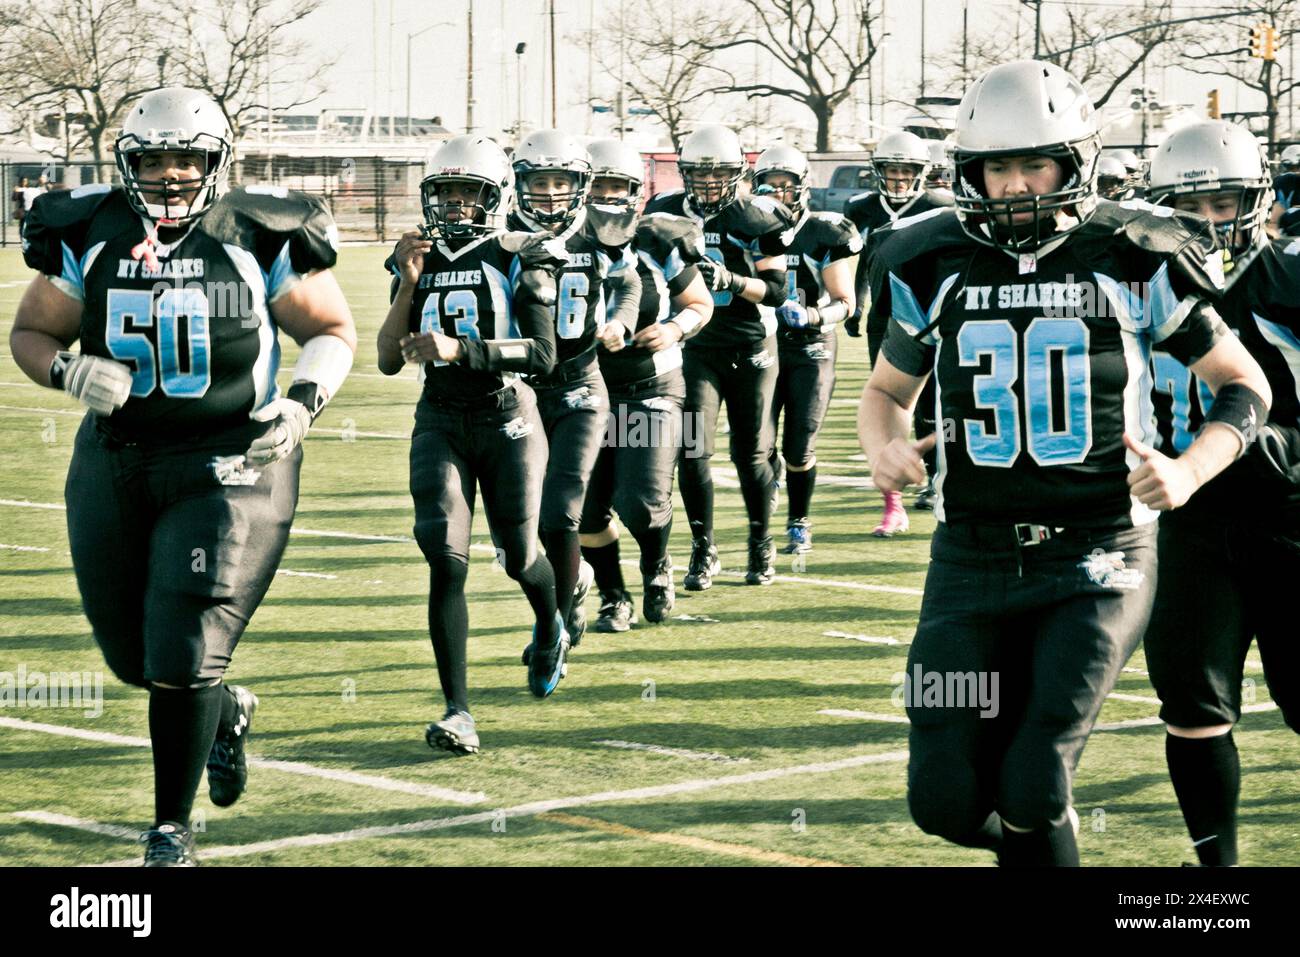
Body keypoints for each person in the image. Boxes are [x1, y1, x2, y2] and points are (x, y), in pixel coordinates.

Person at [858, 61, 1271, 867]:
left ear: (1073, 164)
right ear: (967, 172)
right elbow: (884, 391)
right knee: (942, 797)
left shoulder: (1132, 256)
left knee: (1034, 776)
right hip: (969, 561)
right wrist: (884, 446)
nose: (1015, 186)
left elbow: (1241, 385)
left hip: (1099, 555)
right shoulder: (930, 259)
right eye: (997, 167)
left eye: (1034, 164)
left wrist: (1187, 470)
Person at [9, 88, 357, 866]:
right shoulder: (90, 232)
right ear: (126, 163)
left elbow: (331, 327)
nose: (172, 175)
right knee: (132, 658)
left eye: (189, 159)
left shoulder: (254, 233)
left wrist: (303, 403)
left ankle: (172, 826)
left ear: (215, 162)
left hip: (232, 461)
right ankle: (223, 709)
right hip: (117, 457)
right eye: (155, 159)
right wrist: (66, 370)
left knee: (183, 649)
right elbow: (31, 331)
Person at [378, 134, 569, 750]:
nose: (457, 206)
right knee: (445, 554)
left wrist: (464, 349)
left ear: (495, 198)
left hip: (506, 415)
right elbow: (386, 358)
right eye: (447, 193)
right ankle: (458, 710)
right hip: (440, 418)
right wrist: (408, 284)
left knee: (518, 555)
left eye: (470, 193)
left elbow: (542, 354)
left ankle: (551, 625)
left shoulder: (522, 252)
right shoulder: (416, 256)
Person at [1145, 120, 1300, 866]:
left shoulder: (1292, 281)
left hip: (1293, 520)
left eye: (1226, 201)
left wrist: (1279, 449)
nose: (1210, 221)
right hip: (1190, 521)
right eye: (1191, 205)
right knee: (1192, 703)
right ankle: (1218, 872)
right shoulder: (1143, 285)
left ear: (1258, 198)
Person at [506, 130, 641, 649]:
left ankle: (556, 626)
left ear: (581, 185)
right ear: (520, 184)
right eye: (540, 182)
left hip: (582, 384)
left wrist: (622, 322)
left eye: (562, 182)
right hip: (520, 391)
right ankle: (576, 582)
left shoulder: (602, 231)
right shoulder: (503, 235)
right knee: (516, 532)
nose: (551, 193)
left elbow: (628, 282)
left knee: (563, 509)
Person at [643, 124, 793, 587]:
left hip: (750, 346)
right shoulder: (663, 211)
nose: (708, 183)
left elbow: (776, 291)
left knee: (751, 453)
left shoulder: (759, 218)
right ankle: (703, 548)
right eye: (698, 174)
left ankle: (759, 542)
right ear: (684, 173)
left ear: (737, 173)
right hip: (695, 350)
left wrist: (731, 281)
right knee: (692, 451)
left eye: (718, 174)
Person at [576, 138, 713, 629]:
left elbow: (701, 304)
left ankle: (656, 564)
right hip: (581, 393)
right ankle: (614, 596)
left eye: (618, 188)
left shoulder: (657, 240)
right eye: (597, 186)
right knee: (586, 509)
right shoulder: (559, 246)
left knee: (641, 499)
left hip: (650, 387)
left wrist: (674, 328)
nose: (608, 198)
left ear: (635, 192)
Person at [752, 144, 861, 554]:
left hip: (810, 347)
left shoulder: (823, 232)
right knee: (758, 446)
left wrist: (814, 317)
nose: (778, 193)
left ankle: (799, 520)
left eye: (786, 185)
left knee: (800, 445)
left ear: (802, 188)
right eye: (770, 185)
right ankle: (770, 488)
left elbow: (845, 302)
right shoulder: (748, 229)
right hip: (761, 346)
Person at [845, 130, 953, 532]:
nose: (899, 178)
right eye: (891, 170)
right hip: (886, 319)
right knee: (891, 401)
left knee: (933, 405)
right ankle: (892, 503)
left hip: (930, 314)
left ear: (922, 172)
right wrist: (858, 301)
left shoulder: (939, 206)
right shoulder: (862, 209)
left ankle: (935, 479)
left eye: (906, 170)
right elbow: (858, 261)